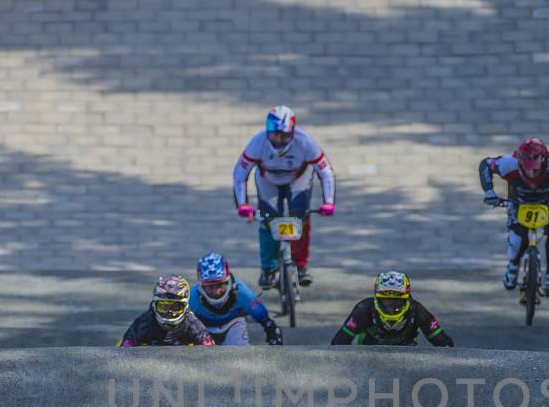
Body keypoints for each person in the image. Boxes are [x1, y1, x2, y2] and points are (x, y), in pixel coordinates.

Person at [232, 105, 336, 288]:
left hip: (298, 178)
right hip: (268, 180)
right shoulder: (257, 143)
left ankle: (301, 265)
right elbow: (240, 174)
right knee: (268, 220)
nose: (279, 140)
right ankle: (268, 268)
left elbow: (326, 172)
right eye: (274, 135)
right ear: (268, 131)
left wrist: (328, 202)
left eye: (284, 136)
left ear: (293, 132)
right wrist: (243, 205)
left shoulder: (306, 142)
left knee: (301, 217)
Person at [478, 137, 549, 297]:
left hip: (548, 202)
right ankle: (513, 265)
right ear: (519, 162)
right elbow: (485, 164)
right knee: (515, 240)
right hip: (518, 202)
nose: (531, 174)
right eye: (526, 169)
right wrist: (489, 192)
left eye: (535, 169)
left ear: (545, 161)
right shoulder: (508, 164)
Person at [331, 270, 454, 346]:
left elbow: (445, 344)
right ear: (377, 298)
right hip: (367, 363)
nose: (391, 305)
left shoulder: (418, 311)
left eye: (397, 300)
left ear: (407, 298)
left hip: (407, 365)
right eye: (387, 300)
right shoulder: (363, 309)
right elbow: (338, 344)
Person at [190, 252, 283, 345]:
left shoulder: (241, 292)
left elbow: (265, 319)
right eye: (210, 287)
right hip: (202, 328)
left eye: (220, 285)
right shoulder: (193, 297)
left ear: (228, 281)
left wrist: (272, 331)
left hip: (233, 325)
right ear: (201, 286)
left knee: (240, 356)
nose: (216, 292)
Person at [119, 274, 216, 347]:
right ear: (154, 305)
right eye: (164, 307)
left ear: (185, 307)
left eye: (176, 307)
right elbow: (123, 352)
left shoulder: (193, 324)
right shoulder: (143, 323)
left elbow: (211, 354)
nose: (169, 312)